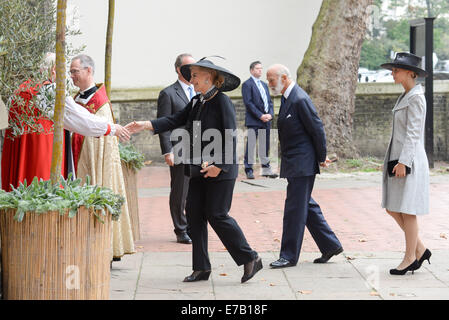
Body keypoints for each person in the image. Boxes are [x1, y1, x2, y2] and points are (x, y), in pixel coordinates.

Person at [126, 57, 262, 283]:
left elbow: (230, 135)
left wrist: (220, 165)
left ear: (209, 77)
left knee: (217, 214)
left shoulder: (222, 102)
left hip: (221, 169)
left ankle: (250, 257)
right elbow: (174, 119)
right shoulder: (197, 101)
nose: (192, 79)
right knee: (195, 216)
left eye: (196, 75)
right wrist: (146, 124)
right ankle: (201, 268)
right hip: (198, 166)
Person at [1, 53, 130, 192]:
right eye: (63, 71)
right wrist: (111, 128)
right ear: (53, 70)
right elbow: (81, 120)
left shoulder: (19, 91)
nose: (65, 77)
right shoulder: (50, 91)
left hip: (19, 160)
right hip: (42, 160)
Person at [266, 64, 343, 269]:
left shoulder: (299, 98)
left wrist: (321, 156)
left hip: (302, 163)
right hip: (295, 162)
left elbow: (316, 129)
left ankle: (289, 256)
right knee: (305, 205)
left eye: (271, 79)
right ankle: (330, 245)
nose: (269, 84)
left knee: (294, 209)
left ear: (284, 77)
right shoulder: (288, 97)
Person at [70, 54, 135, 261]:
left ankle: (107, 248)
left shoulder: (100, 104)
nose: (72, 76)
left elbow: (101, 138)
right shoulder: (75, 99)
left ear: (89, 71)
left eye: (75, 71)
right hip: (77, 160)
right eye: (70, 72)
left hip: (96, 162)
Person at [379, 52, 431, 275]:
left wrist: (403, 162)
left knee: (407, 210)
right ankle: (421, 249)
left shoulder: (416, 97)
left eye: (396, 70)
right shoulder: (407, 95)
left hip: (408, 160)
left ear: (411, 73)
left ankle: (411, 257)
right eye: (393, 70)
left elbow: (413, 134)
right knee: (392, 207)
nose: (393, 73)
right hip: (398, 158)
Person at [156, 53, 195, 244]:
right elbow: (164, 124)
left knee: (197, 190)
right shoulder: (168, 93)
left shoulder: (201, 91)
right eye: (188, 67)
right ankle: (181, 229)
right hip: (179, 148)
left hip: (201, 147)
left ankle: (194, 224)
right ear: (179, 69)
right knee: (180, 190)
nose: (193, 71)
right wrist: (167, 150)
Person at [242, 61, 277, 179]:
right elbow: (249, 103)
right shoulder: (247, 84)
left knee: (264, 145)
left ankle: (266, 169)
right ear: (251, 70)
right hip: (254, 120)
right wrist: (260, 115)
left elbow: (269, 102)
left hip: (266, 120)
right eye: (257, 69)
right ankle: (248, 169)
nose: (260, 71)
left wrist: (270, 115)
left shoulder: (264, 84)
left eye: (261, 68)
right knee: (251, 145)